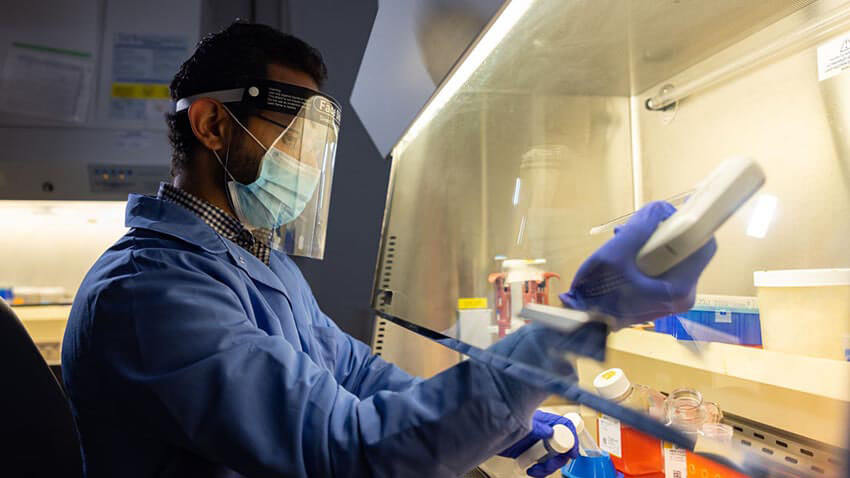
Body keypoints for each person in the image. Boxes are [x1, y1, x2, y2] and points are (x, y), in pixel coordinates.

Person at [62, 22, 716, 478]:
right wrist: (575, 327)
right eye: (296, 135)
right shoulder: (151, 295)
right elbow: (347, 453)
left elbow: (359, 377)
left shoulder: (257, 260)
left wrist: (503, 422)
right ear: (211, 124)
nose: (310, 165)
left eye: (318, 144)